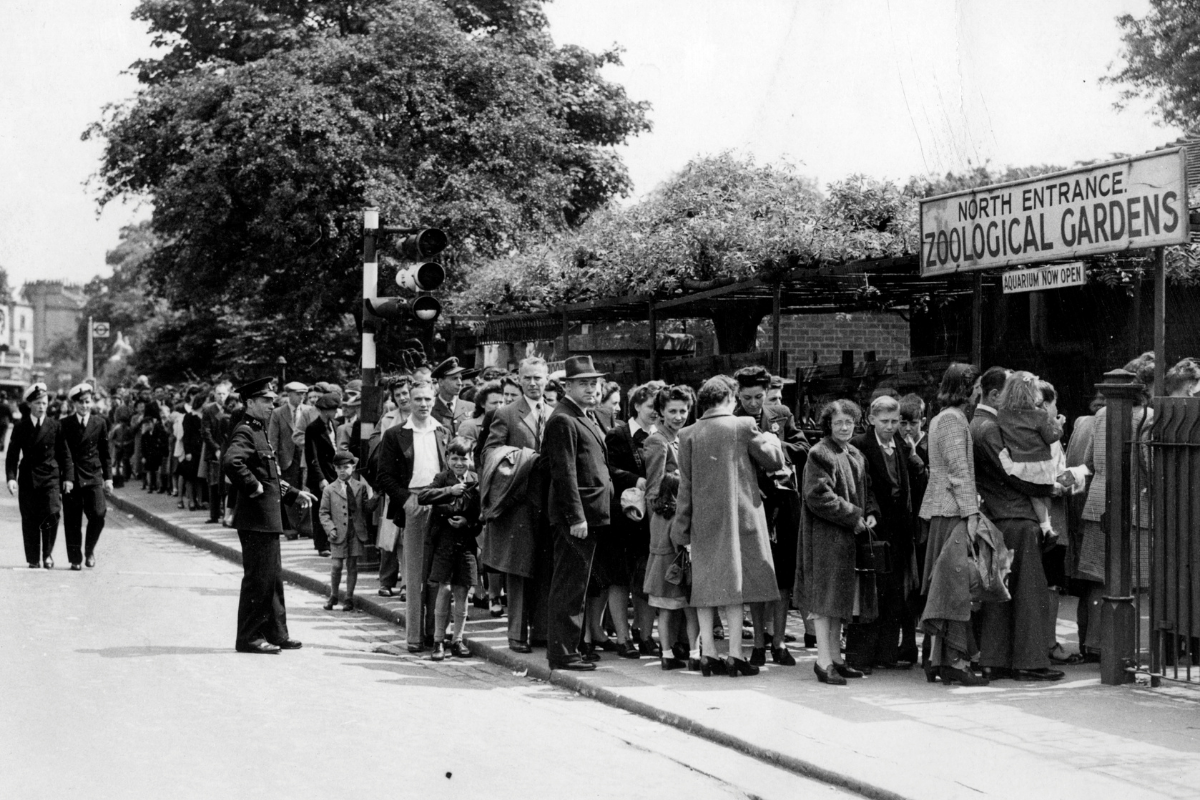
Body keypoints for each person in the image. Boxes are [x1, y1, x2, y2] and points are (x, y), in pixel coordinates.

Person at [671, 375, 785, 678]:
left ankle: (708, 653)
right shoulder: (743, 425)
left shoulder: (687, 433)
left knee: (706, 587)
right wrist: (772, 439)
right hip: (740, 519)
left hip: (703, 521)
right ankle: (735, 655)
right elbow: (774, 461)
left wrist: (681, 528)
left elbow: (686, 487)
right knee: (736, 589)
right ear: (730, 399)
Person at [972, 368, 1064, 682]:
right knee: (1028, 591)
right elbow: (1014, 474)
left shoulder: (984, 424)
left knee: (1000, 592)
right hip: (1016, 517)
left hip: (999, 516)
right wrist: (1047, 486)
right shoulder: (989, 428)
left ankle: (995, 661)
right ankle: (1029, 661)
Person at [222, 377, 316, 654]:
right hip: (255, 520)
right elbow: (231, 461)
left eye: (272, 401)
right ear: (249, 402)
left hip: (266, 519)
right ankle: (249, 637)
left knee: (273, 579)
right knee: (259, 580)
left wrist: (293, 492)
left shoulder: (259, 431)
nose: (270, 405)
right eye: (265, 401)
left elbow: (270, 475)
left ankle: (276, 632)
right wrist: (252, 485)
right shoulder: (246, 431)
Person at [1078, 352, 1156, 664]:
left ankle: (1096, 644)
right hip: (1136, 508)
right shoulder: (1147, 419)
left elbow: (1087, 461)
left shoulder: (1100, 416)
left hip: (1098, 505)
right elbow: (1149, 465)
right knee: (1137, 582)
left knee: (1100, 578)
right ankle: (1130, 648)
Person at [917, 363, 988, 686]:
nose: (979, 395)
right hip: (952, 513)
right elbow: (960, 472)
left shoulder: (945, 418)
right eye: (977, 389)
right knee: (956, 589)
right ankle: (954, 662)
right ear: (967, 388)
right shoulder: (952, 420)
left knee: (946, 588)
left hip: (947, 510)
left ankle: (939, 659)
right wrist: (971, 514)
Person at [542, 355, 614, 671]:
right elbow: (564, 471)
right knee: (570, 584)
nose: (591, 388)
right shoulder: (563, 418)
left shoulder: (584, 415)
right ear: (568, 385)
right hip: (577, 518)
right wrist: (576, 517)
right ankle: (562, 652)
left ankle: (571, 646)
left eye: (594, 382)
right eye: (583, 383)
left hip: (590, 515)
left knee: (579, 583)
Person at [734, 365, 809, 661]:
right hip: (752, 503)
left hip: (784, 501)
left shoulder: (781, 415)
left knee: (783, 575)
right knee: (756, 572)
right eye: (748, 397)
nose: (754, 403)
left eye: (759, 397)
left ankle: (779, 641)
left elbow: (803, 446)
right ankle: (758, 644)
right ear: (738, 394)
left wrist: (778, 445)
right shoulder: (731, 420)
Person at [480, 356, 553, 653]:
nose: (533, 384)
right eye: (527, 378)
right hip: (518, 502)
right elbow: (490, 454)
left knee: (545, 567)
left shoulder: (556, 412)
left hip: (548, 502)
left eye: (538, 378)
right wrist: (523, 458)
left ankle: (542, 632)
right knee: (519, 570)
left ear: (546, 379)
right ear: (518, 380)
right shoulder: (506, 414)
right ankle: (516, 635)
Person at [802, 399, 876, 685]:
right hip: (825, 536)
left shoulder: (855, 453)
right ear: (828, 425)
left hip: (846, 535)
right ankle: (822, 662)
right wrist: (854, 515)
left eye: (849, 422)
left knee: (839, 600)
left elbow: (866, 490)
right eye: (838, 423)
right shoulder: (819, 453)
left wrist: (869, 514)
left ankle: (836, 658)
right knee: (825, 600)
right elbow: (817, 495)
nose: (844, 427)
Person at [375, 381, 448, 653]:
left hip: (440, 502)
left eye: (427, 398)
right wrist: (406, 500)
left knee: (436, 573)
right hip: (413, 503)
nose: (423, 404)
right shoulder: (396, 434)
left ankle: (434, 634)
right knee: (415, 573)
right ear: (408, 401)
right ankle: (415, 637)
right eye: (417, 399)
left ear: (434, 399)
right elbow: (384, 476)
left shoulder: (442, 431)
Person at [847, 394, 918, 672]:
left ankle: (887, 654)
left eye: (895, 421)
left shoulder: (900, 443)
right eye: (885, 421)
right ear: (871, 420)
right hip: (874, 527)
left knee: (894, 593)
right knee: (870, 592)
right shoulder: (860, 445)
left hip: (899, 529)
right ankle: (862, 656)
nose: (890, 426)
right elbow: (860, 485)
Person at [642, 384, 700, 670]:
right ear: (661, 413)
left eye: (683, 410)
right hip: (667, 525)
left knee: (686, 597)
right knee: (669, 594)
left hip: (685, 522)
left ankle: (689, 651)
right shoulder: (658, 441)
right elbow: (654, 493)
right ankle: (669, 652)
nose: (679, 416)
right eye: (672, 411)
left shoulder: (683, 438)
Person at [419, 437, 482, 661]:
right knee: (443, 590)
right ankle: (438, 641)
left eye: (463, 458)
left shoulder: (476, 480)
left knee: (462, 591)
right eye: (454, 458)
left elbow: (481, 517)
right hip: (444, 543)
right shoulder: (442, 479)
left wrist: (468, 524)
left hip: (465, 543)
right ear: (447, 459)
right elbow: (423, 496)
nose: (459, 463)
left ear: (470, 459)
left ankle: (458, 640)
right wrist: (449, 491)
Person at [6, 383, 71, 569]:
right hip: (28, 478)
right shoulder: (21, 427)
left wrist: (67, 478)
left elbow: (64, 454)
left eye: (44, 403)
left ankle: (47, 553)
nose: (42, 406)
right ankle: (33, 557)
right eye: (37, 403)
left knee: (52, 513)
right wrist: (11, 477)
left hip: (50, 477)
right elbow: (12, 456)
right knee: (30, 518)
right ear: (29, 405)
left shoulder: (55, 426)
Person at [995, 372, 1065, 541]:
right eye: (1055, 404)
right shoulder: (1041, 420)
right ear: (1047, 405)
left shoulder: (1003, 414)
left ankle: (1046, 528)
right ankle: (1047, 528)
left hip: (1019, 467)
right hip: (1043, 475)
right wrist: (1079, 477)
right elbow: (1061, 477)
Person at [59, 383, 113, 570]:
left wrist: (108, 478)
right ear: (74, 404)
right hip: (72, 478)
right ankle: (75, 558)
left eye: (87, 402)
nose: (85, 406)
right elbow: (63, 454)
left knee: (99, 514)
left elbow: (105, 452)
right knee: (72, 521)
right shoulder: (65, 424)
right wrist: (65, 477)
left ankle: (89, 550)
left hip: (93, 476)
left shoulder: (100, 423)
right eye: (81, 402)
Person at [319, 451, 376, 612]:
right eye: (338, 468)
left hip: (355, 531)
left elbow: (366, 508)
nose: (342, 471)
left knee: (352, 565)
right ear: (334, 469)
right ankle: (334, 595)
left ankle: (349, 597)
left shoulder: (360, 487)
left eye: (346, 467)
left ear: (353, 467)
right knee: (336, 565)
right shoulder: (330, 489)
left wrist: (376, 497)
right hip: (338, 532)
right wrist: (330, 528)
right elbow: (323, 512)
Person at [269, 381, 307, 539]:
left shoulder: (309, 411)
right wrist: (274, 461)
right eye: (298, 394)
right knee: (290, 493)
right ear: (289, 394)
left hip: (305, 457)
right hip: (287, 458)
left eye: (303, 394)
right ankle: (291, 529)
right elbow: (273, 439)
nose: (301, 397)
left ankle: (306, 527)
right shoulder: (278, 413)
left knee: (305, 491)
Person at [305, 392, 341, 557]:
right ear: (325, 410)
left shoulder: (334, 424)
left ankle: (333, 541)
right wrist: (320, 478)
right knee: (321, 509)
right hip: (322, 475)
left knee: (335, 509)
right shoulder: (313, 428)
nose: (335, 412)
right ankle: (321, 544)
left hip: (334, 473)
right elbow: (311, 457)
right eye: (333, 409)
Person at [431, 357, 472, 437]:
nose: (459, 383)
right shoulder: (430, 408)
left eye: (460, 378)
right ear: (441, 382)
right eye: (454, 378)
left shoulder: (471, 407)